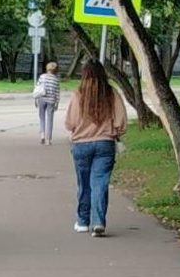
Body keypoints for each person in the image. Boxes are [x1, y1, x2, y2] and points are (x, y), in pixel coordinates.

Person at [63, 59, 127, 236]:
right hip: (105, 144)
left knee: (84, 184)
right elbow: (121, 121)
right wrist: (113, 131)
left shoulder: (78, 95)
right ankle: (98, 222)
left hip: (81, 145)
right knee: (99, 183)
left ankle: (83, 222)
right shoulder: (111, 93)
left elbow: (70, 123)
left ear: (84, 75)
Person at [33, 63, 61, 144]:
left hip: (42, 99)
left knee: (42, 117)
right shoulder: (56, 80)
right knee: (50, 120)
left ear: (47, 68)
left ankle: (42, 135)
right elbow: (57, 92)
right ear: (55, 70)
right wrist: (57, 103)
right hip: (51, 101)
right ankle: (48, 140)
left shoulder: (42, 77)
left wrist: (35, 99)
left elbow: (37, 88)